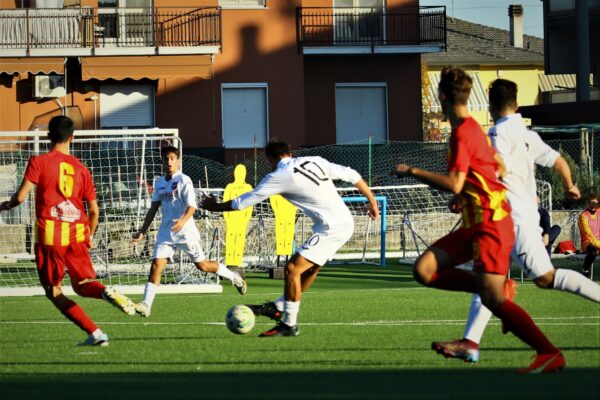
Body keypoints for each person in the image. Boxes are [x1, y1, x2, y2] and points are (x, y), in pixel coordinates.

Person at [393, 67, 565, 373]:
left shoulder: (464, 133)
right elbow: (496, 168)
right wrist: (469, 194)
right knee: (424, 270)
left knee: (493, 299)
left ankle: (548, 352)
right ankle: (496, 288)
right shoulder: (472, 129)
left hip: (491, 225)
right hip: (476, 220)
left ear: (441, 96)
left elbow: (457, 181)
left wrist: (412, 172)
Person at [430, 78, 600, 365]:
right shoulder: (527, 134)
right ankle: (471, 342)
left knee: (545, 278)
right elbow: (559, 161)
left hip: (512, 219)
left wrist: (463, 195)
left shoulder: (496, 134)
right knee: (488, 280)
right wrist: (570, 185)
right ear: (517, 105)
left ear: (492, 106)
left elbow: (495, 170)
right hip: (513, 218)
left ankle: (488, 337)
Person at [201, 139, 379, 337]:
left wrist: (214, 206)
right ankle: (278, 306)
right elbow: (353, 175)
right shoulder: (315, 160)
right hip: (343, 222)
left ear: (269, 158)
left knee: (292, 268)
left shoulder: (277, 176)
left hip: (332, 228)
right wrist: (372, 202)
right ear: (289, 153)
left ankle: (288, 324)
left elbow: (243, 202)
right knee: (310, 268)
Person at [0, 116, 136, 347]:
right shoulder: (82, 169)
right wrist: (89, 236)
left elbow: (20, 197)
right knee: (82, 285)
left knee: (54, 290)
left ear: (47, 136)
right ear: (72, 137)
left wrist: (5, 205)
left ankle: (96, 334)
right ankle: (104, 293)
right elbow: (94, 211)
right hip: (78, 232)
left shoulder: (39, 162)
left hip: (50, 233)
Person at [132, 146, 247, 318]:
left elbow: (192, 206)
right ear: (162, 161)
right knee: (156, 265)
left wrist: (182, 221)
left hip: (185, 232)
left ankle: (234, 277)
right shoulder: (160, 183)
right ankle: (146, 304)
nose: (169, 162)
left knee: (202, 266)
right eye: (166, 158)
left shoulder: (184, 180)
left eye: (172, 158)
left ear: (178, 161)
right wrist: (142, 231)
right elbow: (153, 208)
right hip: (166, 233)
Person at [578, 193, 600, 279]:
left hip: (598, 242)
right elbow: (589, 235)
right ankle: (585, 271)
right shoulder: (583, 216)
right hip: (587, 243)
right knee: (593, 252)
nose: (592, 204)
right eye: (590, 202)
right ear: (587, 204)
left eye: (594, 202)